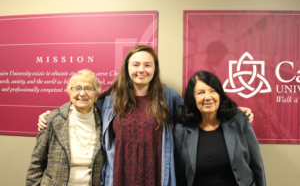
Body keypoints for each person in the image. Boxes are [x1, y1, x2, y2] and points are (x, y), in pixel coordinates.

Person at [37, 45, 254, 186]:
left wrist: (233, 112)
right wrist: (53, 114)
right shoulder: (111, 98)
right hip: (119, 177)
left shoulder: (168, 97)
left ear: (154, 69)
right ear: (127, 68)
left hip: (157, 176)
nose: (142, 69)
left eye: (147, 65)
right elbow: (83, 103)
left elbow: (196, 111)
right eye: (136, 64)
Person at [174, 71, 266, 186]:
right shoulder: (182, 130)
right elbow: (179, 174)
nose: (208, 97)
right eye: (200, 93)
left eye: (213, 91)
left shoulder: (239, 121)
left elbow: (257, 165)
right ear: (192, 98)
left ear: (220, 94)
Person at [27, 69, 104, 186]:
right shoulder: (52, 120)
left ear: (96, 94)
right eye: (77, 88)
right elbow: (36, 164)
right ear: (70, 92)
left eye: (88, 88)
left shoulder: (104, 122)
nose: (82, 93)